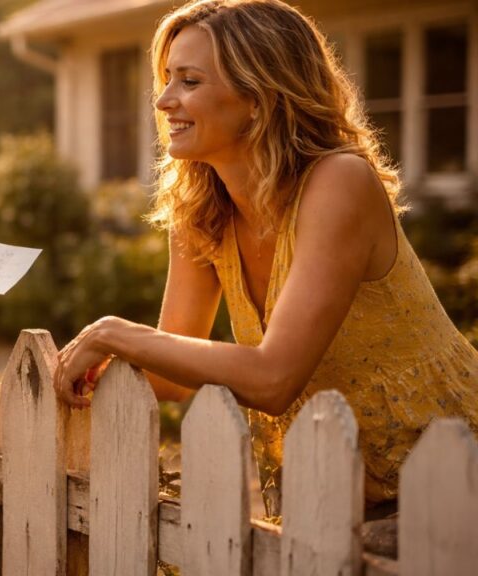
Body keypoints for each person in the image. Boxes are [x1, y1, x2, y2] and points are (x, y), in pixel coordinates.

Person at [54, 0, 477, 519]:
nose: (163, 101)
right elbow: (173, 379)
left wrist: (113, 333)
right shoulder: (202, 210)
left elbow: (274, 378)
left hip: (453, 476)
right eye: (167, 79)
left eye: (189, 81)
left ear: (259, 98)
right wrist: (87, 365)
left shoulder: (339, 183)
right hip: (334, 490)